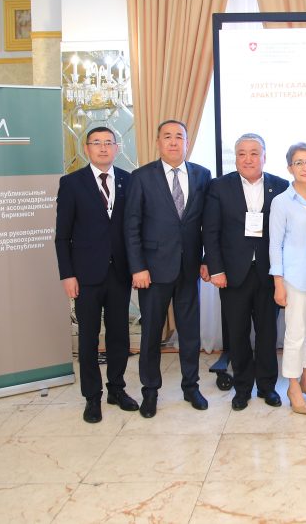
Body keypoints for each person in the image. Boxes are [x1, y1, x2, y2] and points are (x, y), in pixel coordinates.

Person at [125, 120, 212, 418]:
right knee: (151, 333)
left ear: (187, 142)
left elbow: (208, 223)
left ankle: (191, 386)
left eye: (179, 137)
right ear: (158, 142)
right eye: (167, 137)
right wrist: (137, 267)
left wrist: (207, 259)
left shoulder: (202, 175)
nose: (174, 142)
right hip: (152, 270)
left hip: (189, 268)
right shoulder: (141, 177)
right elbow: (131, 226)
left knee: (190, 332)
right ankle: (150, 391)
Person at [54, 127, 140, 423]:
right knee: (89, 338)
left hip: (119, 273)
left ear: (117, 147)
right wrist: (67, 274)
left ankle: (117, 389)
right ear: (87, 148)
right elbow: (62, 236)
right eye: (96, 143)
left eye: (108, 143)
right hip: (85, 275)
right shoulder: (72, 183)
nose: (103, 148)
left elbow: (134, 229)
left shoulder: (129, 180)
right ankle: (92, 397)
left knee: (119, 335)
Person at [203, 133, 289, 411]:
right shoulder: (219, 186)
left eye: (254, 153)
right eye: (242, 153)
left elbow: (287, 233)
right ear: (236, 157)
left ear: (264, 156)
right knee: (237, 334)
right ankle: (242, 388)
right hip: (232, 274)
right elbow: (211, 231)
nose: (248, 159)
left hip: (268, 272)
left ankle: (267, 387)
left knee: (267, 333)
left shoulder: (281, 186)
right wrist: (216, 269)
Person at [269, 143, 306, 415]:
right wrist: (278, 282)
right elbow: (275, 244)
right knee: (295, 334)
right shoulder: (282, 201)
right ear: (289, 168)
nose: (305, 167)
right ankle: (293, 386)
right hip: (294, 276)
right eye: (299, 162)